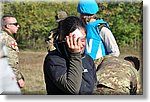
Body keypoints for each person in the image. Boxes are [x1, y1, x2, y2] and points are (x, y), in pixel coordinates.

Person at [43, 16, 97, 95]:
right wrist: (75, 55)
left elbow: (93, 87)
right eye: (77, 40)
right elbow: (72, 89)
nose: (82, 44)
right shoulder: (54, 60)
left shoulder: (88, 59)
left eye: (83, 39)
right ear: (66, 40)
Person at [77, 0, 120, 66]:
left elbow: (114, 51)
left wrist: (105, 66)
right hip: (84, 66)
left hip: (98, 67)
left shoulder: (101, 29)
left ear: (85, 15)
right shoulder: (81, 28)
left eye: (81, 14)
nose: (80, 17)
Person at [0, 14, 25, 88]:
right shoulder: (8, 40)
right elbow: (11, 62)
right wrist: (19, 78)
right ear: (7, 26)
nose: (18, 26)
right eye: (15, 24)